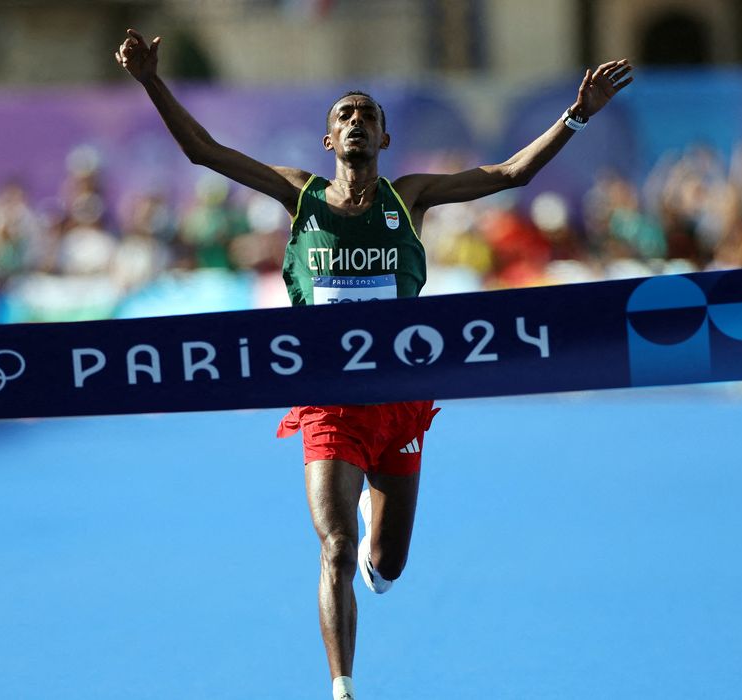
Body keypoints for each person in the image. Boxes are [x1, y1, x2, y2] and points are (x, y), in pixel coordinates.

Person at [115, 28, 632, 700]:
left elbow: (512, 174)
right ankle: (342, 687)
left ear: (384, 141)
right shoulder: (296, 193)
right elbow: (202, 151)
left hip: (398, 402)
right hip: (327, 401)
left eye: (368, 116)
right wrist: (152, 80)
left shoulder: (410, 198)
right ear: (329, 140)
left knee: (385, 566)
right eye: (345, 115)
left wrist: (577, 113)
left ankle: (374, 550)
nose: (356, 121)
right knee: (331, 547)